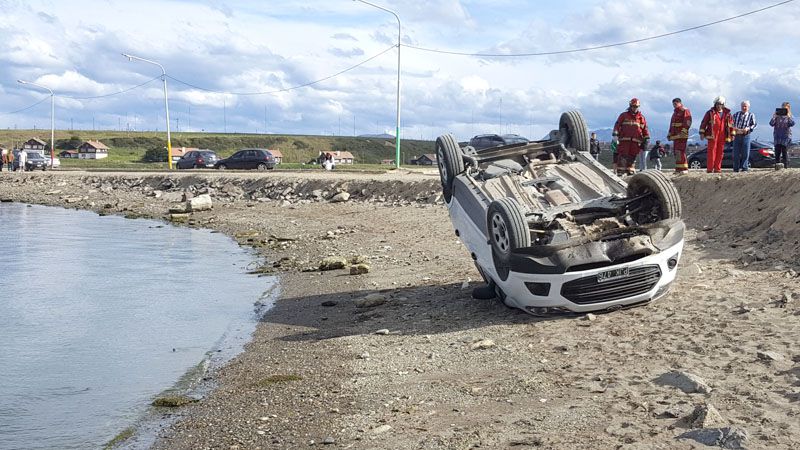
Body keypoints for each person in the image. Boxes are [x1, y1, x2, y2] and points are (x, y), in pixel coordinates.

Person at [612, 98, 650, 175]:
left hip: (636, 141)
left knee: (633, 156)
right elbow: (617, 125)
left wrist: (646, 138)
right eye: (633, 106)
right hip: (624, 140)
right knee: (623, 155)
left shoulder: (641, 117)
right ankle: (621, 172)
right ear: (630, 106)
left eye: (636, 106)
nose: (635, 108)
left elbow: (645, 128)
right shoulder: (623, 115)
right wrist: (615, 134)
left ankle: (630, 170)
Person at [699, 96, 734, 173]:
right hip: (712, 134)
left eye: (720, 104)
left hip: (722, 135)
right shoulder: (710, 113)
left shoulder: (727, 114)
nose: (718, 106)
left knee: (720, 152)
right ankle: (710, 169)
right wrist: (702, 132)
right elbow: (704, 122)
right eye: (717, 104)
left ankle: (717, 168)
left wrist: (732, 134)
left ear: (723, 104)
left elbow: (731, 125)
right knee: (711, 152)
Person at [667, 98, 692, 173]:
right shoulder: (675, 113)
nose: (674, 105)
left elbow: (688, 121)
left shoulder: (685, 110)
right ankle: (678, 168)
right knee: (676, 152)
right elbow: (672, 124)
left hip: (682, 135)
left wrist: (684, 131)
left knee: (680, 151)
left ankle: (685, 169)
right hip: (675, 136)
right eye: (673, 104)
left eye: (675, 104)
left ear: (680, 103)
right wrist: (669, 133)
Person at [731, 100, 757, 172]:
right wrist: (734, 128)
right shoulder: (736, 114)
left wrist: (748, 128)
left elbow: (754, 124)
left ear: (748, 107)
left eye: (745, 106)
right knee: (735, 153)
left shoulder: (751, 115)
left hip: (746, 135)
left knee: (745, 153)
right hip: (737, 135)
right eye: (743, 106)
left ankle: (744, 168)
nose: (744, 108)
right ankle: (736, 169)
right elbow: (731, 123)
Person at [769, 102, 795, 168]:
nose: (783, 110)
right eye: (782, 108)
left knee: (784, 152)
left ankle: (785, 167)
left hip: (786, 136)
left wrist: (789, 116)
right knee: (777, 152)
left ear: (788, 109)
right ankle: (777, 167)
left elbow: (792, 123)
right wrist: (774, 116)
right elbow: (771, 124)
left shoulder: (789, 116)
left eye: (785, 109)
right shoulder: (777, 116)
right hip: (777, 136)